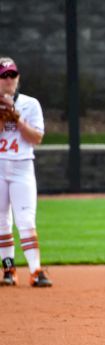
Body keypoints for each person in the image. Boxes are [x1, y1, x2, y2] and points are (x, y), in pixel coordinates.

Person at [0, 57, 52, 287]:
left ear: (18, 77)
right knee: (1, 221)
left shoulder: (31, 104)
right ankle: (9, 271)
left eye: (12, 74)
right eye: (4, 75)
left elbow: (37, 138)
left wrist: (18, 120)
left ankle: (36, 270)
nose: (9, 79)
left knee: (26, 220)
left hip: (22, 167)